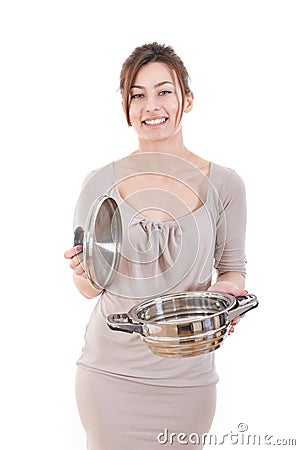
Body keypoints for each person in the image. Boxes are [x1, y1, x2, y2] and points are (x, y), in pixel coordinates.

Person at [64, 42, 248, 450]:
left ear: (188, 98)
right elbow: (90, 288)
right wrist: (83, 273)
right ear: (126, 108)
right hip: (109, 374)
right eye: (137, 95)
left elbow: (233, 268)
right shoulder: (99, 183)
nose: (152, 106)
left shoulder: (225, 184)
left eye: (164, 91)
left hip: (188, 379)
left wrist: (225, 296)